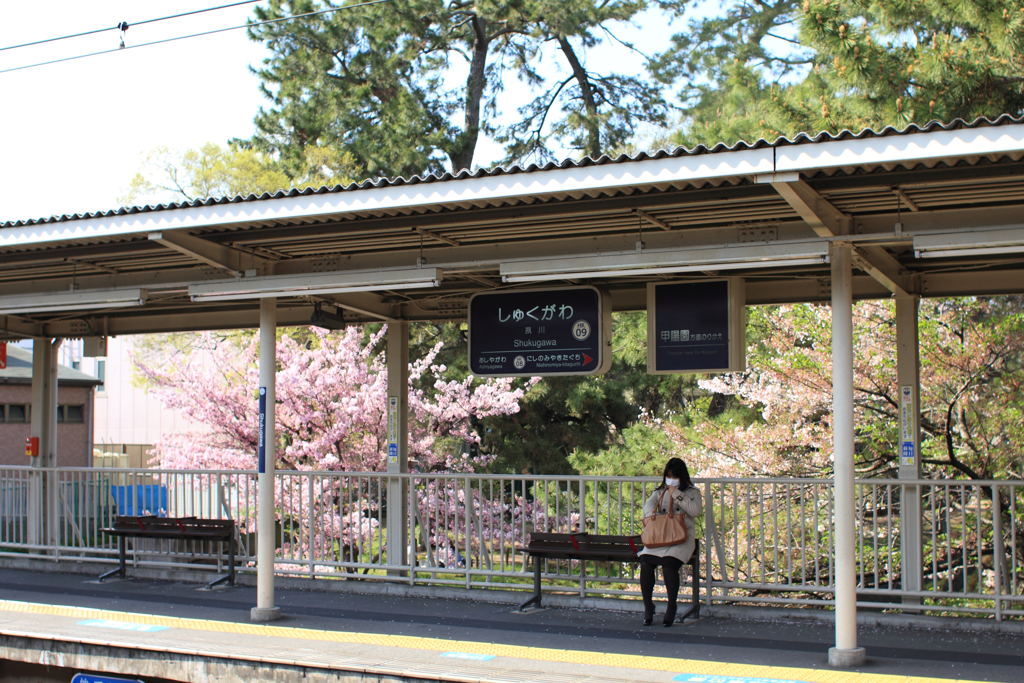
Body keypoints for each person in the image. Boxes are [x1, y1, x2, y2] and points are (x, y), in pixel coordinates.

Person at [639, 457, 703, 627]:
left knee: (669, 566)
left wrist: (676, 492)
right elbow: (647, 509)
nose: (671, 479)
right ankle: (647, 606)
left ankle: (671, 606)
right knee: (645, 562)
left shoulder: (692, 492)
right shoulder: (659, 492)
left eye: (675, 476)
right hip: (659, 538)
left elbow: (696, 511)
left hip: (681, 539)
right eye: (669, 476)